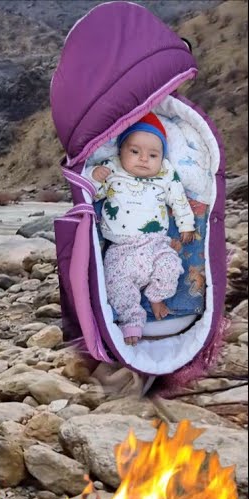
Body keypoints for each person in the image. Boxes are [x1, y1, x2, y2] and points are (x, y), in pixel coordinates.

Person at [89, 111, 198, 344]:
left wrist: (186, 224)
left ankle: (157, 297)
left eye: (153, 155)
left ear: (162, 157)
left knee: (172, 266)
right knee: (115, 283)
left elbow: (178, 199)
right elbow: (91, 194)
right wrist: (93, 176)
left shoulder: (165, 174)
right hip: (121, 249)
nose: (144, 159)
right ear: (120, 151)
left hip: (156, 245)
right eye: (135, 151)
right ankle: (131, 320)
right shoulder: (111, 169)